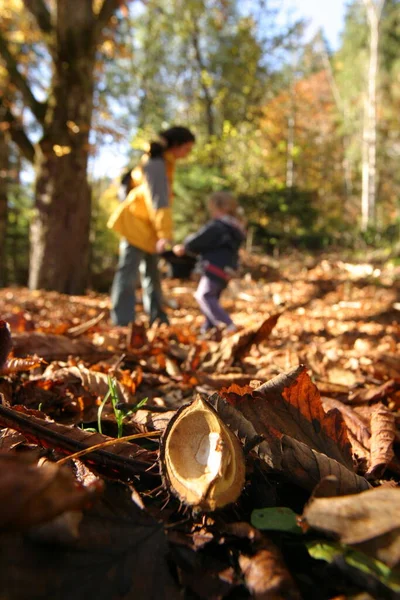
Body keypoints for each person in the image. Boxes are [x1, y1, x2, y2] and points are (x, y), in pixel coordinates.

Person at [108, 126, 195, 326]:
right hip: (135, 226)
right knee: (128, 275)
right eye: (187, 149)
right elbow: (159, 201)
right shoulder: (156, 164)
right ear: (177, 145)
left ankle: (158, 320)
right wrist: (165, 234)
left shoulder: (163, 163)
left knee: (152, 276)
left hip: (148, 229)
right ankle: (122, 322)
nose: (187, 154)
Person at [173, 191, 245, 334]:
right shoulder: (235, 228)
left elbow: (199, 239)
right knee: (212, 300)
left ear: (218, 208)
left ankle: (227, 325)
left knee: (204, 295)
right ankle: (209, 331)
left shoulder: (218, 226)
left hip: (214, 267)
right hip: (227, 269)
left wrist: (185, 246)